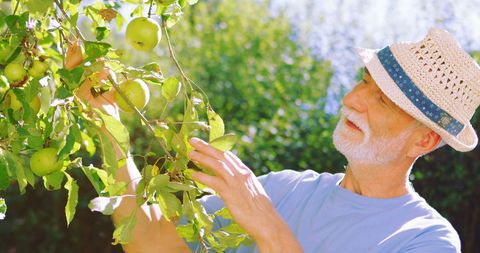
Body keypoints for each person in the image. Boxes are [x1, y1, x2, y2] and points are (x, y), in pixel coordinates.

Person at [80, 27, 479, 252]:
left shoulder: (425, 239)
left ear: (423, 141)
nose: (354, 100)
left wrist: (266, 226)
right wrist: (107, 121)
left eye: (383, 99)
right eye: (364, 81)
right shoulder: (285, 189)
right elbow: (152, 242)